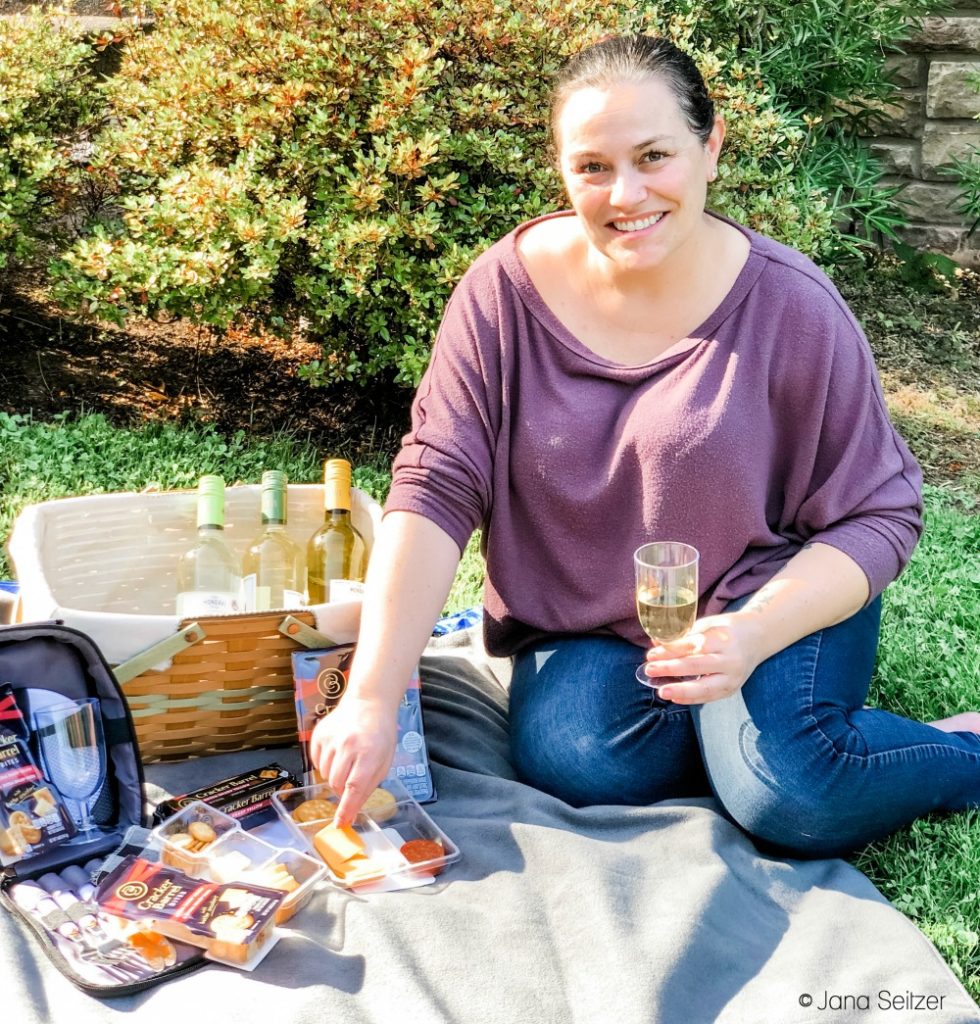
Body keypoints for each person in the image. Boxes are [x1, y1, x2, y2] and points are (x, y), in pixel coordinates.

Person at [311, 33, 980, 857]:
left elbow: (879, 515)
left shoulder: (793, 307)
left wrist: (751, 637)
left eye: (655, 155)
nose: (626, 194)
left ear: (711, 145)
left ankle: (960, 751)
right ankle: (731, 735)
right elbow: (437, 484)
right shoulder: (500, 296)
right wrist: (372, 693)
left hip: (770, 597)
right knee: (577, 760)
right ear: (561, 170)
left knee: (790, 794)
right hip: (593, 625)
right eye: (592, 166)